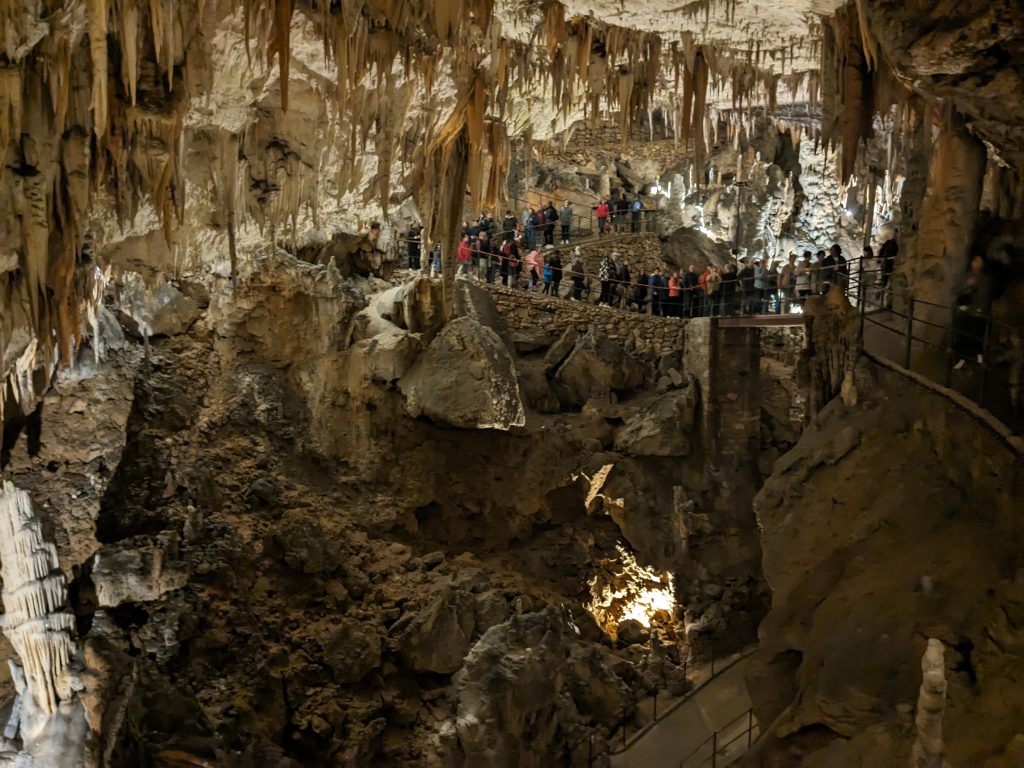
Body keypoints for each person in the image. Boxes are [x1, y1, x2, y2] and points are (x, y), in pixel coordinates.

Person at [952, 255, 993, 370]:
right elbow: (955, 290)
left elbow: (986, 296)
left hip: (979, 313)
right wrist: (967, 285)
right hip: (966, 312)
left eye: (979, 261)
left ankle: (979, 358)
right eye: (975, 261)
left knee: (978, 336)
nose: (977, 264)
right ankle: (962, 359)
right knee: (963, 336)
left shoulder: (987, 278)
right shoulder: (966, 276)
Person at [878, 232, 898, 306]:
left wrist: (879, 258)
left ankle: (882, 298)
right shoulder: (892, 244)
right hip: (888, 263)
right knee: (886, 280)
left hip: (887, 263)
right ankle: (883, 299)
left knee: (885, 280)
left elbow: (882, 250)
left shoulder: (889, 243)